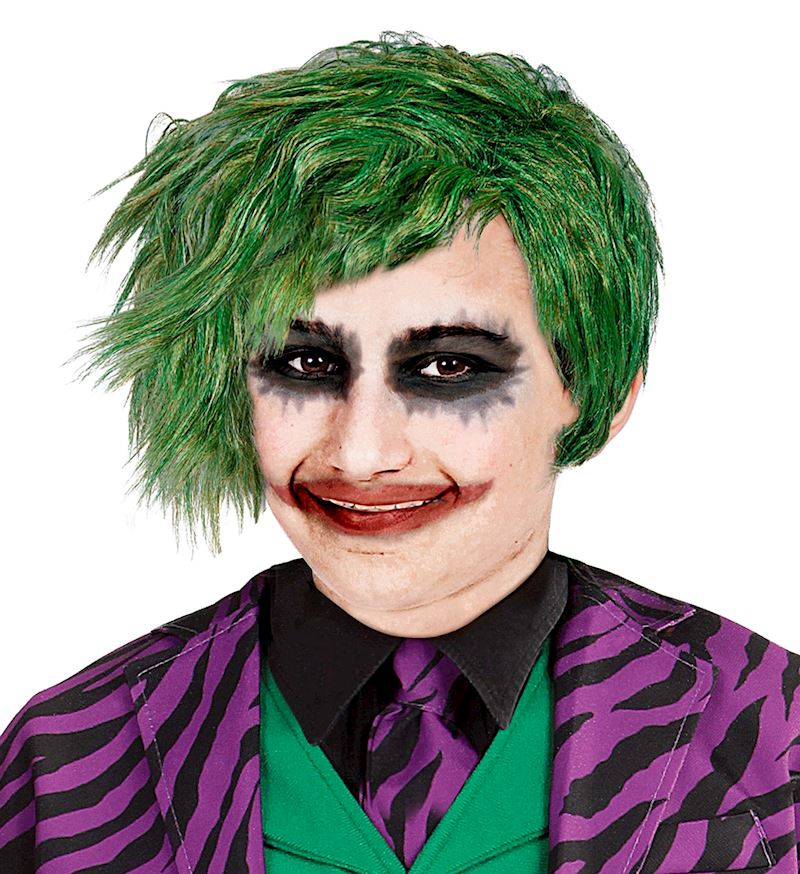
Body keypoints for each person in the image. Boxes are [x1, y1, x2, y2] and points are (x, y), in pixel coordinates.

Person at [1, 32, 798, 873]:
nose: (361, 451)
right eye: (304, 364)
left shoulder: (769, 740)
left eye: (448, 367)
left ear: (596, 387)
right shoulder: (74, 754)